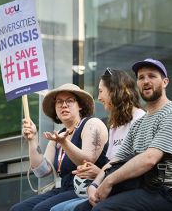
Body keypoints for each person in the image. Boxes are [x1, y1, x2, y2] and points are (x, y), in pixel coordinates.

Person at [74, 58, 172, 211]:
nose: (146, 81)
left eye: (152, 76)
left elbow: (150, 159)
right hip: (145, 188)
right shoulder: (139, 123)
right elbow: (116, 159)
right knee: (82, 209)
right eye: (141, 77)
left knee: (102, 209)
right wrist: (95, 185)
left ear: (165, 82)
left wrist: (109, 181)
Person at [50, 69, 145, 211]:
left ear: (114, 90)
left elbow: (139, 164)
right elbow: (111, 164)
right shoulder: (114, 126)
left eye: (101, 91)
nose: (99, 97)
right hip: (110, 187)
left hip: (131, 188)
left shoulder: (140, 118)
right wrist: (97, 178)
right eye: (59, 102)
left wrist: (100, 178)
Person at [10, 83, 109, 211]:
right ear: (55, 109)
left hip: (86, 188)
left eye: (70, 101)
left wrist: (64, 143)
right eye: (59, 102)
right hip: (63, 189)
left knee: (41, 209)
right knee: (18, 209)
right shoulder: (59, 135)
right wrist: (32, 139)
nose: (64, 105)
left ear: (80, 106)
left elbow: (87, 161)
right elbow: (41, 171)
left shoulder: (91, 124)